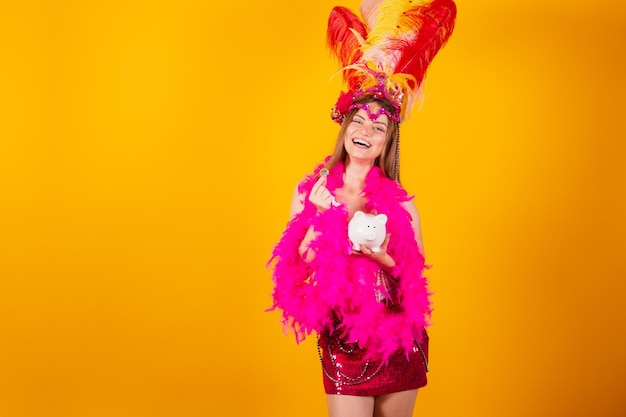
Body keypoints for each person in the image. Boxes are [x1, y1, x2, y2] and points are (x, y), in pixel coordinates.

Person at [269, 1, 456, 416]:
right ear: (344, 126)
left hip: (399, 336)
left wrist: (383, 256)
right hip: (344, 335)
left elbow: (413, 272)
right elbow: (295, 269)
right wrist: (316, 218)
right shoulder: (310, 191)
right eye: (359, 120)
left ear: (387, 142)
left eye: (379, 127)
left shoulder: (401, 201)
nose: (366, 131)